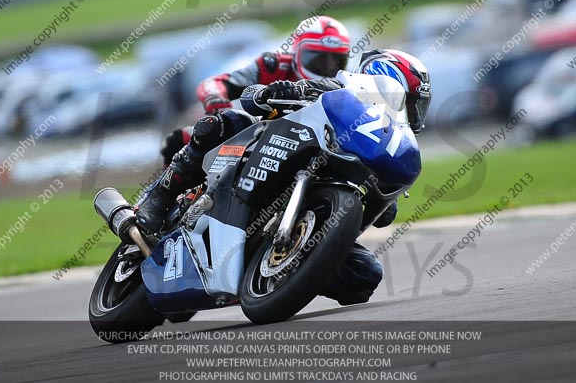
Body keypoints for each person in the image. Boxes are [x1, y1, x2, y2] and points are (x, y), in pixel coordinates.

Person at [137, 48, 431, 306]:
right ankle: (158, 197)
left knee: (364, 276)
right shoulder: (338, 90)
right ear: (390, 81)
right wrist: (276, 92)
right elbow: (280, 94)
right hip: (267, 152)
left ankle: (283, 275)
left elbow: (382, 216)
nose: (416, 112)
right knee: (225, 122)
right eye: (414, 102)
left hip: (306, 210)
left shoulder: (379, 140)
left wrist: (379, 196)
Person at [159, 16, 351, 166]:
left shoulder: (345, 86)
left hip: (314, 150)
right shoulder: (273, 66)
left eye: (335, 61)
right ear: (296, 51)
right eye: (317, 59)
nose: (327, 68)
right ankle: (157, 200)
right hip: (258, 140)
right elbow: (217, 83)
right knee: (184, 137)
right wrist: (215, 99)